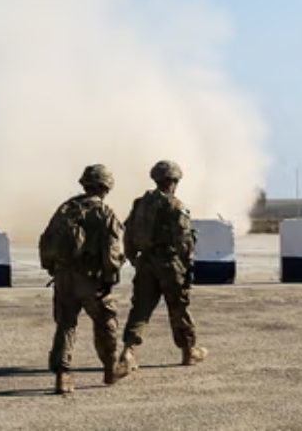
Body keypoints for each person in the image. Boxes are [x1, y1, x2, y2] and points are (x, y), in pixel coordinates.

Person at [38, 164, 129, 395]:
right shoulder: (104, 212)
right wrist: (110, 276)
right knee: (106, 322)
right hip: (91, 279)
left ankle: (62, 376)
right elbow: (113, 250)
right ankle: (110, 370)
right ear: (106, 186)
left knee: (66, 325)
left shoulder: (66, 208)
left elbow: (46, 240)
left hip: (64, 277)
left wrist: (54, 269)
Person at [118, 160, 206, 372]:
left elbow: (129, 232)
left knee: (140, 309)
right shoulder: (177, 206)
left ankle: (128, 352)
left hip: (146, 262)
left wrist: (133, 257)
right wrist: (187, 267)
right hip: (169, 264)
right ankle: (188, 351)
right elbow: (184, 241)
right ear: (174, 181)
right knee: (178, 308)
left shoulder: (140, 204)